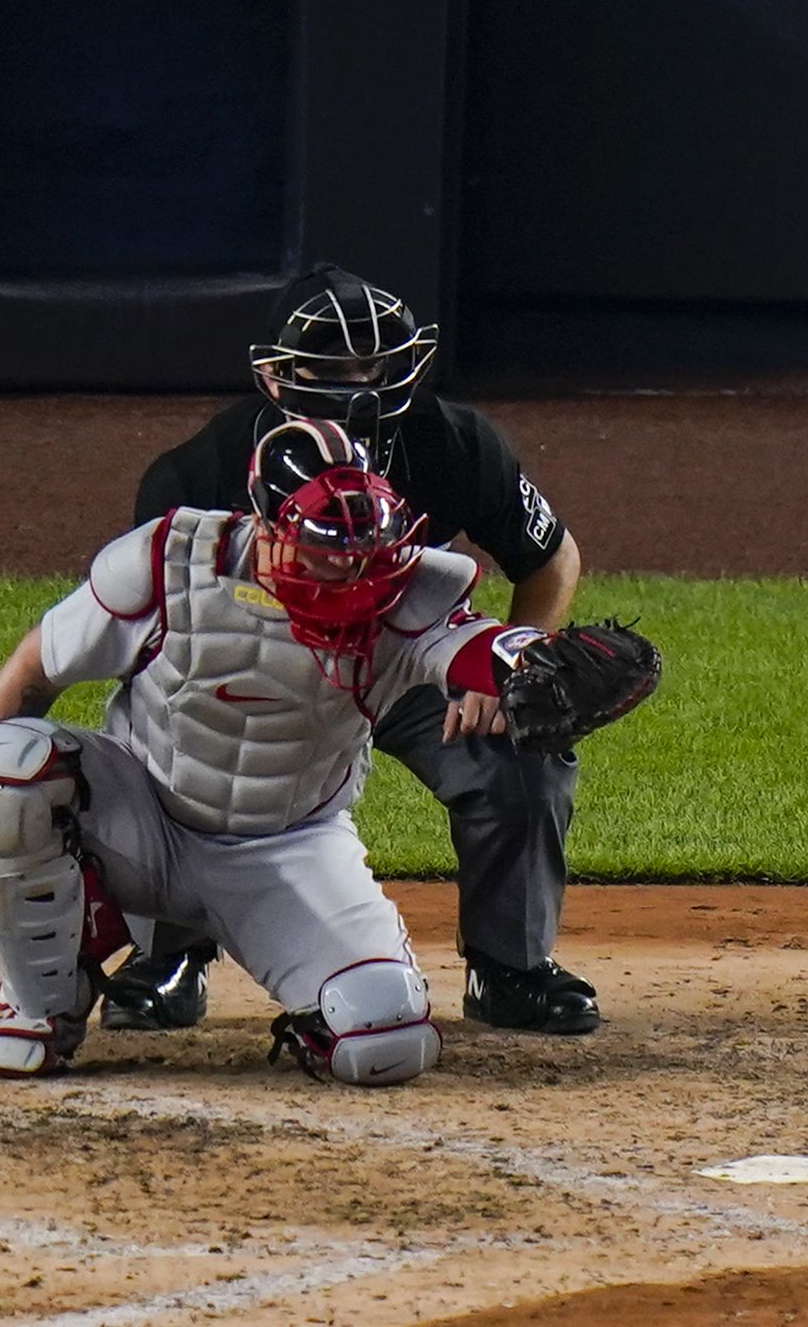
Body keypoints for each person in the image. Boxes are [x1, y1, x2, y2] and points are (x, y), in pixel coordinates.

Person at [0, 420, 582, 1082]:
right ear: (267, 527)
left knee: (386, 1037)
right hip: (142, 819)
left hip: (285, 851)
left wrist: (527, 664)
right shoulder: (165, 563)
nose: (348, 569)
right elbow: (34, 668)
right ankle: (45, 998)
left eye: (361, 547)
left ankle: (306, 1000)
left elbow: (473, 647)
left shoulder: (397, 592)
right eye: (325, 546)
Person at [106, 265, 598, 1036]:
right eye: (332, 370)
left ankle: (511, 968)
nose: (358, 386)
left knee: (523, 737)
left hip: (402, 658)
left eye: (371, 366)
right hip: (261, 663)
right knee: (182, 751)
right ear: (276, 375)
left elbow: (551, 558)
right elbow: (155, 632)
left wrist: (507, 661)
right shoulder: (199, 471)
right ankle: (169, 954)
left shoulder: (451, 440)